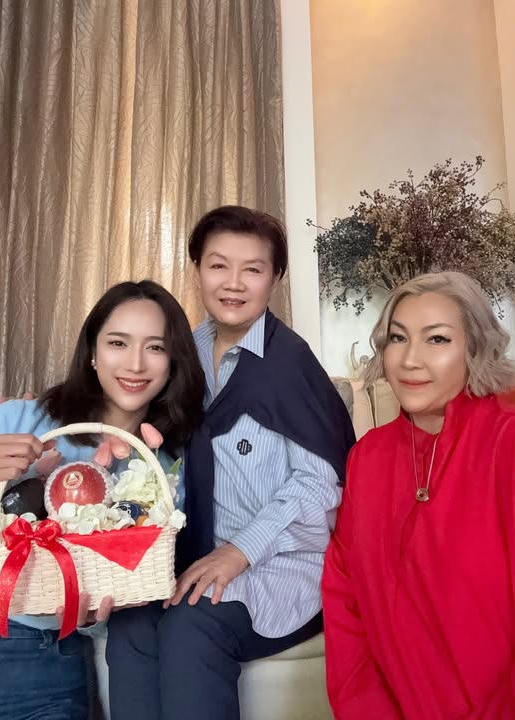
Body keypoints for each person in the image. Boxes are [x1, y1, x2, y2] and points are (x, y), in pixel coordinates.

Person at [321, 271, 515, 719]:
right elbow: (346, 604)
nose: (410, 359)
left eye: (436, 339)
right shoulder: (368, 459)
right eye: (398, 338)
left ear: (475, 348)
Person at [106, 206, 356, 720]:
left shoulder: (290, 365)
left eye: (253, 269)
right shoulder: (183, 356)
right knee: (132, 622)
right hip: (194, 554)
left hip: (283, 563)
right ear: (197, 269)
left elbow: (320, 483)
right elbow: (136, 418)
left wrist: (240, 550)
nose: (234, 283)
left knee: (193, 621)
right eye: (219, 265)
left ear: (275, 278)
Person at [0, 280, 204, 719]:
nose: (135, 363)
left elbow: (124, 595)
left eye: (155, 347)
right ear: (92, 353)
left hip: (48, 666)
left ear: (173, 363)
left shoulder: (162, 474)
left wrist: (92, 618)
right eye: (117, 343)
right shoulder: (17, 420)